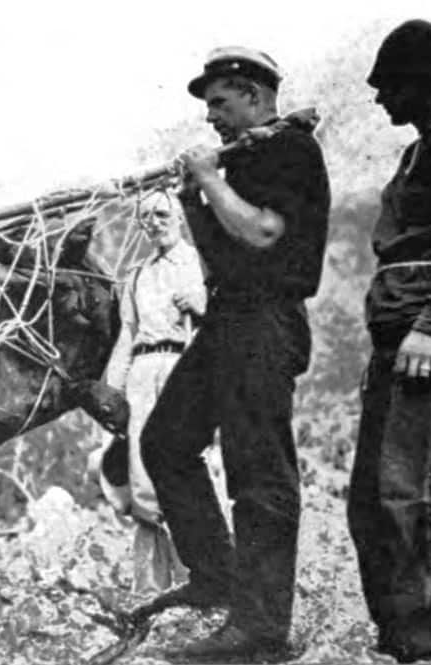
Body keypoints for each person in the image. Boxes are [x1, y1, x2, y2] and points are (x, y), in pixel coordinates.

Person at [138, 47, 330, 661]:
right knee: (165, 442)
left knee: (258, 472)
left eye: (220, 102)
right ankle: (216, 578)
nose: (212, 118)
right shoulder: (245, 159)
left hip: (268, 321)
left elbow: (263, 233)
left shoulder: (291, 151)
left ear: (253, 94)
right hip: (229, 318)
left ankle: (262, 629)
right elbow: (223, 251)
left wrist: (213, 180)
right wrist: (195, 195)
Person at [348, 19, 431, 663]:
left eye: (388, 85)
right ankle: (402, 640)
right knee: (373, 499)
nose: (378, 99)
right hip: (394, 338)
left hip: (426, 335)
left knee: (421, 494)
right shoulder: (418, 151)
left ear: (422, 82)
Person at [86, 190, 209, 598]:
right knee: (142, 477)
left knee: (188, 468)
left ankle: (204, 580)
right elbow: (128, 335)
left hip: (184, 366)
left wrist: (202, 304)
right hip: (142, 368)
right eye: (145, 217)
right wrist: (113, 392)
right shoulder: (137, 275)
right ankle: (151, 590)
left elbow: (227, 317)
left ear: (178, 217)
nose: (154, 222)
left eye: (161, 214)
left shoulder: (199, 262)